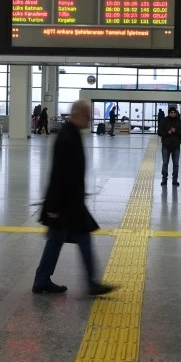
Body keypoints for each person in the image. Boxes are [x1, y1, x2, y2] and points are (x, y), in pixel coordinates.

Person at [33, 100, 116, 296]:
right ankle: (91, 283)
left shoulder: (73, 133)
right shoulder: (67, 137)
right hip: (65, 204)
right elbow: (58, 174)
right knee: (80, 239)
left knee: (56, 241)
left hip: (69, 201)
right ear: (77, 115)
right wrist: (53, 207)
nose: (90, 119)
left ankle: (42, 280)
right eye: (87, 116)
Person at [157, 104, 181, 187]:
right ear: (169, 113)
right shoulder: (164, 121)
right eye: (171, 112)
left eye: (174, 112)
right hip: (166, 146)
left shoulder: (179, 122)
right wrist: (167, 133)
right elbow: (159, 132)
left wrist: (175, 131)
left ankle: (175, 180)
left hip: (176, 146)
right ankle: (164, 179)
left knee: (176, 164)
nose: (173, 114)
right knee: (165, 163)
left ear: (176, 113)